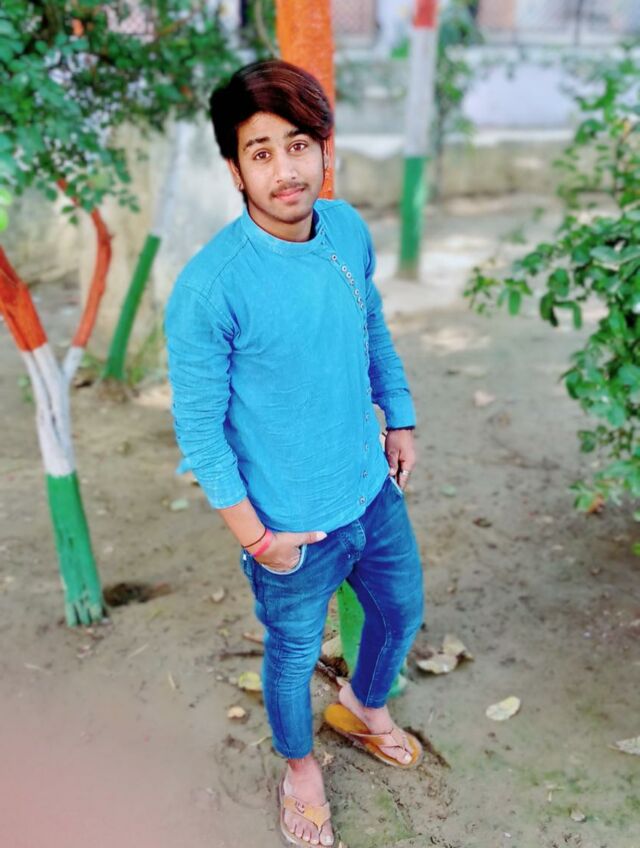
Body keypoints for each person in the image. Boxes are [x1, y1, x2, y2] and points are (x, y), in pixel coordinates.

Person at [164, 59, 425, 848]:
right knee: (290, 656)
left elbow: (369, 324)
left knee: (400, 611)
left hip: (371, 490)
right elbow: (201, 433)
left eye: (299, 144)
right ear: (234, 167)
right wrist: (258, 540)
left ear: (324, 149)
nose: (285, 169)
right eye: (261, 151)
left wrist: (399, 417)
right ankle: (300, 768)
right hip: (290, 530)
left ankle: (364, 707)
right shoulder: (210, 288)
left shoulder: (345, 229)